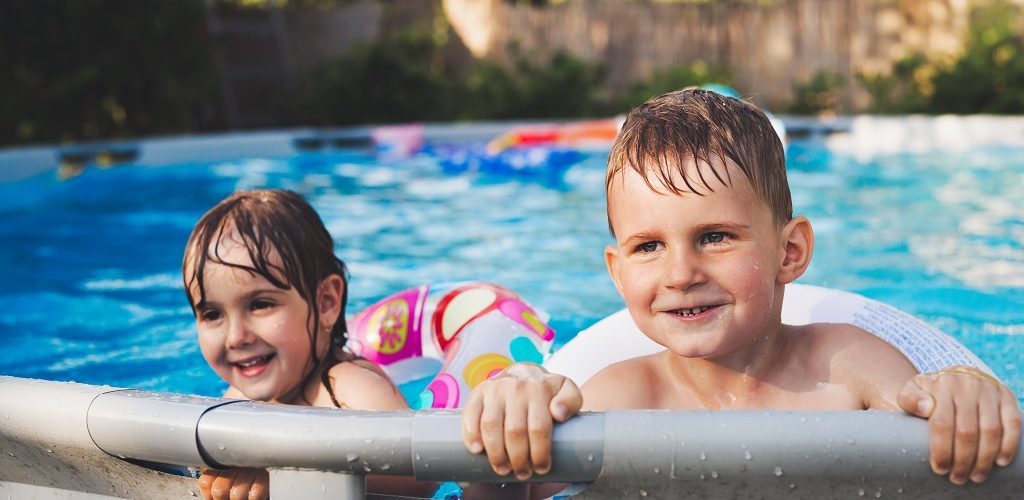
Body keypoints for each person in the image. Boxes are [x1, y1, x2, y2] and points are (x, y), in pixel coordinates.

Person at [462, 88, 1022, 491]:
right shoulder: (624, 396)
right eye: (648, 247)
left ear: (790, 252)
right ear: (617, 271)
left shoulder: (846, 362)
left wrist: (965, 388)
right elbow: (504, 494)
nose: (681, 273)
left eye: (714, 236)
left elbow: (939, 423)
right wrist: (513, 406)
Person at [182, 189, 437, 500]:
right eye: (212, 314)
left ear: (326, 302)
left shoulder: (349, 389)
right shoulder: (237, 396)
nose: (236, 337)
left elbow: (418, 475)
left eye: (261, 304)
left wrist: (282, 473)